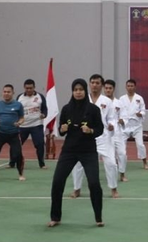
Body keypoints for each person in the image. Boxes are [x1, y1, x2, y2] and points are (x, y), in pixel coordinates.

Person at [48, 79, 104, 228]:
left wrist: (91, 131)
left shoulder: (93, 109)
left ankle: (98, 217)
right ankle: (55, 217)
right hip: (69, 151)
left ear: (85, 91)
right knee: (57, 182)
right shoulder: (66, 109)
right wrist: (62, 129)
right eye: (75, 90)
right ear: (72, 91)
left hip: (88, 151)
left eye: (80, 89)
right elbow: (60, 129)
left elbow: (100, 129)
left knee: (94, 183)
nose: (78, 92)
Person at [70, 74, 120, 199]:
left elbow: (112, 118)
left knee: (111, 164)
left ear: (101, 85)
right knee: (78, 164)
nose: (94, 85)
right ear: (89, 84)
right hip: (84, 137)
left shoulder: (107, 101)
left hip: (103, 136)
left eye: (97, 83)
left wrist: (111, 125)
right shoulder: (82, 99)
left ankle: (113, 188)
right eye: (92, 82)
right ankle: (77, 188)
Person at [0, 84, 25, 181]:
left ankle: (21, 174)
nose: (6, 94)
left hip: (14, 134)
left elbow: (22, 118)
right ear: (2, 93)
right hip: (0, 134)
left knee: (18, 154)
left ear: (13, 93)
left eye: (8, 92)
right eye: (5, 92)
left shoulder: (18, 105)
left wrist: (19, 122)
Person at [16, 79, 48, 169]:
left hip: (36, 124)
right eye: (27, 88)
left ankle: (42, 164)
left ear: (34, 87)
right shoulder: (19, 97)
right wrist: (17, 120)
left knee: (40, 144)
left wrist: (44, 115)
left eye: (30, 88)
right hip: (23, 125)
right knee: (16, 144)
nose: (29, 90)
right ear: (24, 88)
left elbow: (45, 109)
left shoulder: (40, 96)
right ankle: (12, 162)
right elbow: (16, 110)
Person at [119, 79, 148, 169]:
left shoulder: (139, 98)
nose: (130, 88)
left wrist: (141, 114)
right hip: (125, 125)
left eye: (132, 86)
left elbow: (143, 110)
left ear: (135, 87)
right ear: (126, 87)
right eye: (128, 86)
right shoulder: (122, 99)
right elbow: (118, 111)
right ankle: (120, 163)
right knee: (121, 147)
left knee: (140, 145)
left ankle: (145, 162)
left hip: (136, 125)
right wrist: (119, 119)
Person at [105, 79, 129, 182]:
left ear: (113, 89)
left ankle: (122, 174)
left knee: (122, 153)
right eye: (106, 88)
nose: (108, 90)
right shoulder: (101, 102)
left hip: (117, 132)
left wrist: (122, 121)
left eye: (110, 88)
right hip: (104, 133)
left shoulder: (119, 103)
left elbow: (125, 116)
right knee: (106, 156)